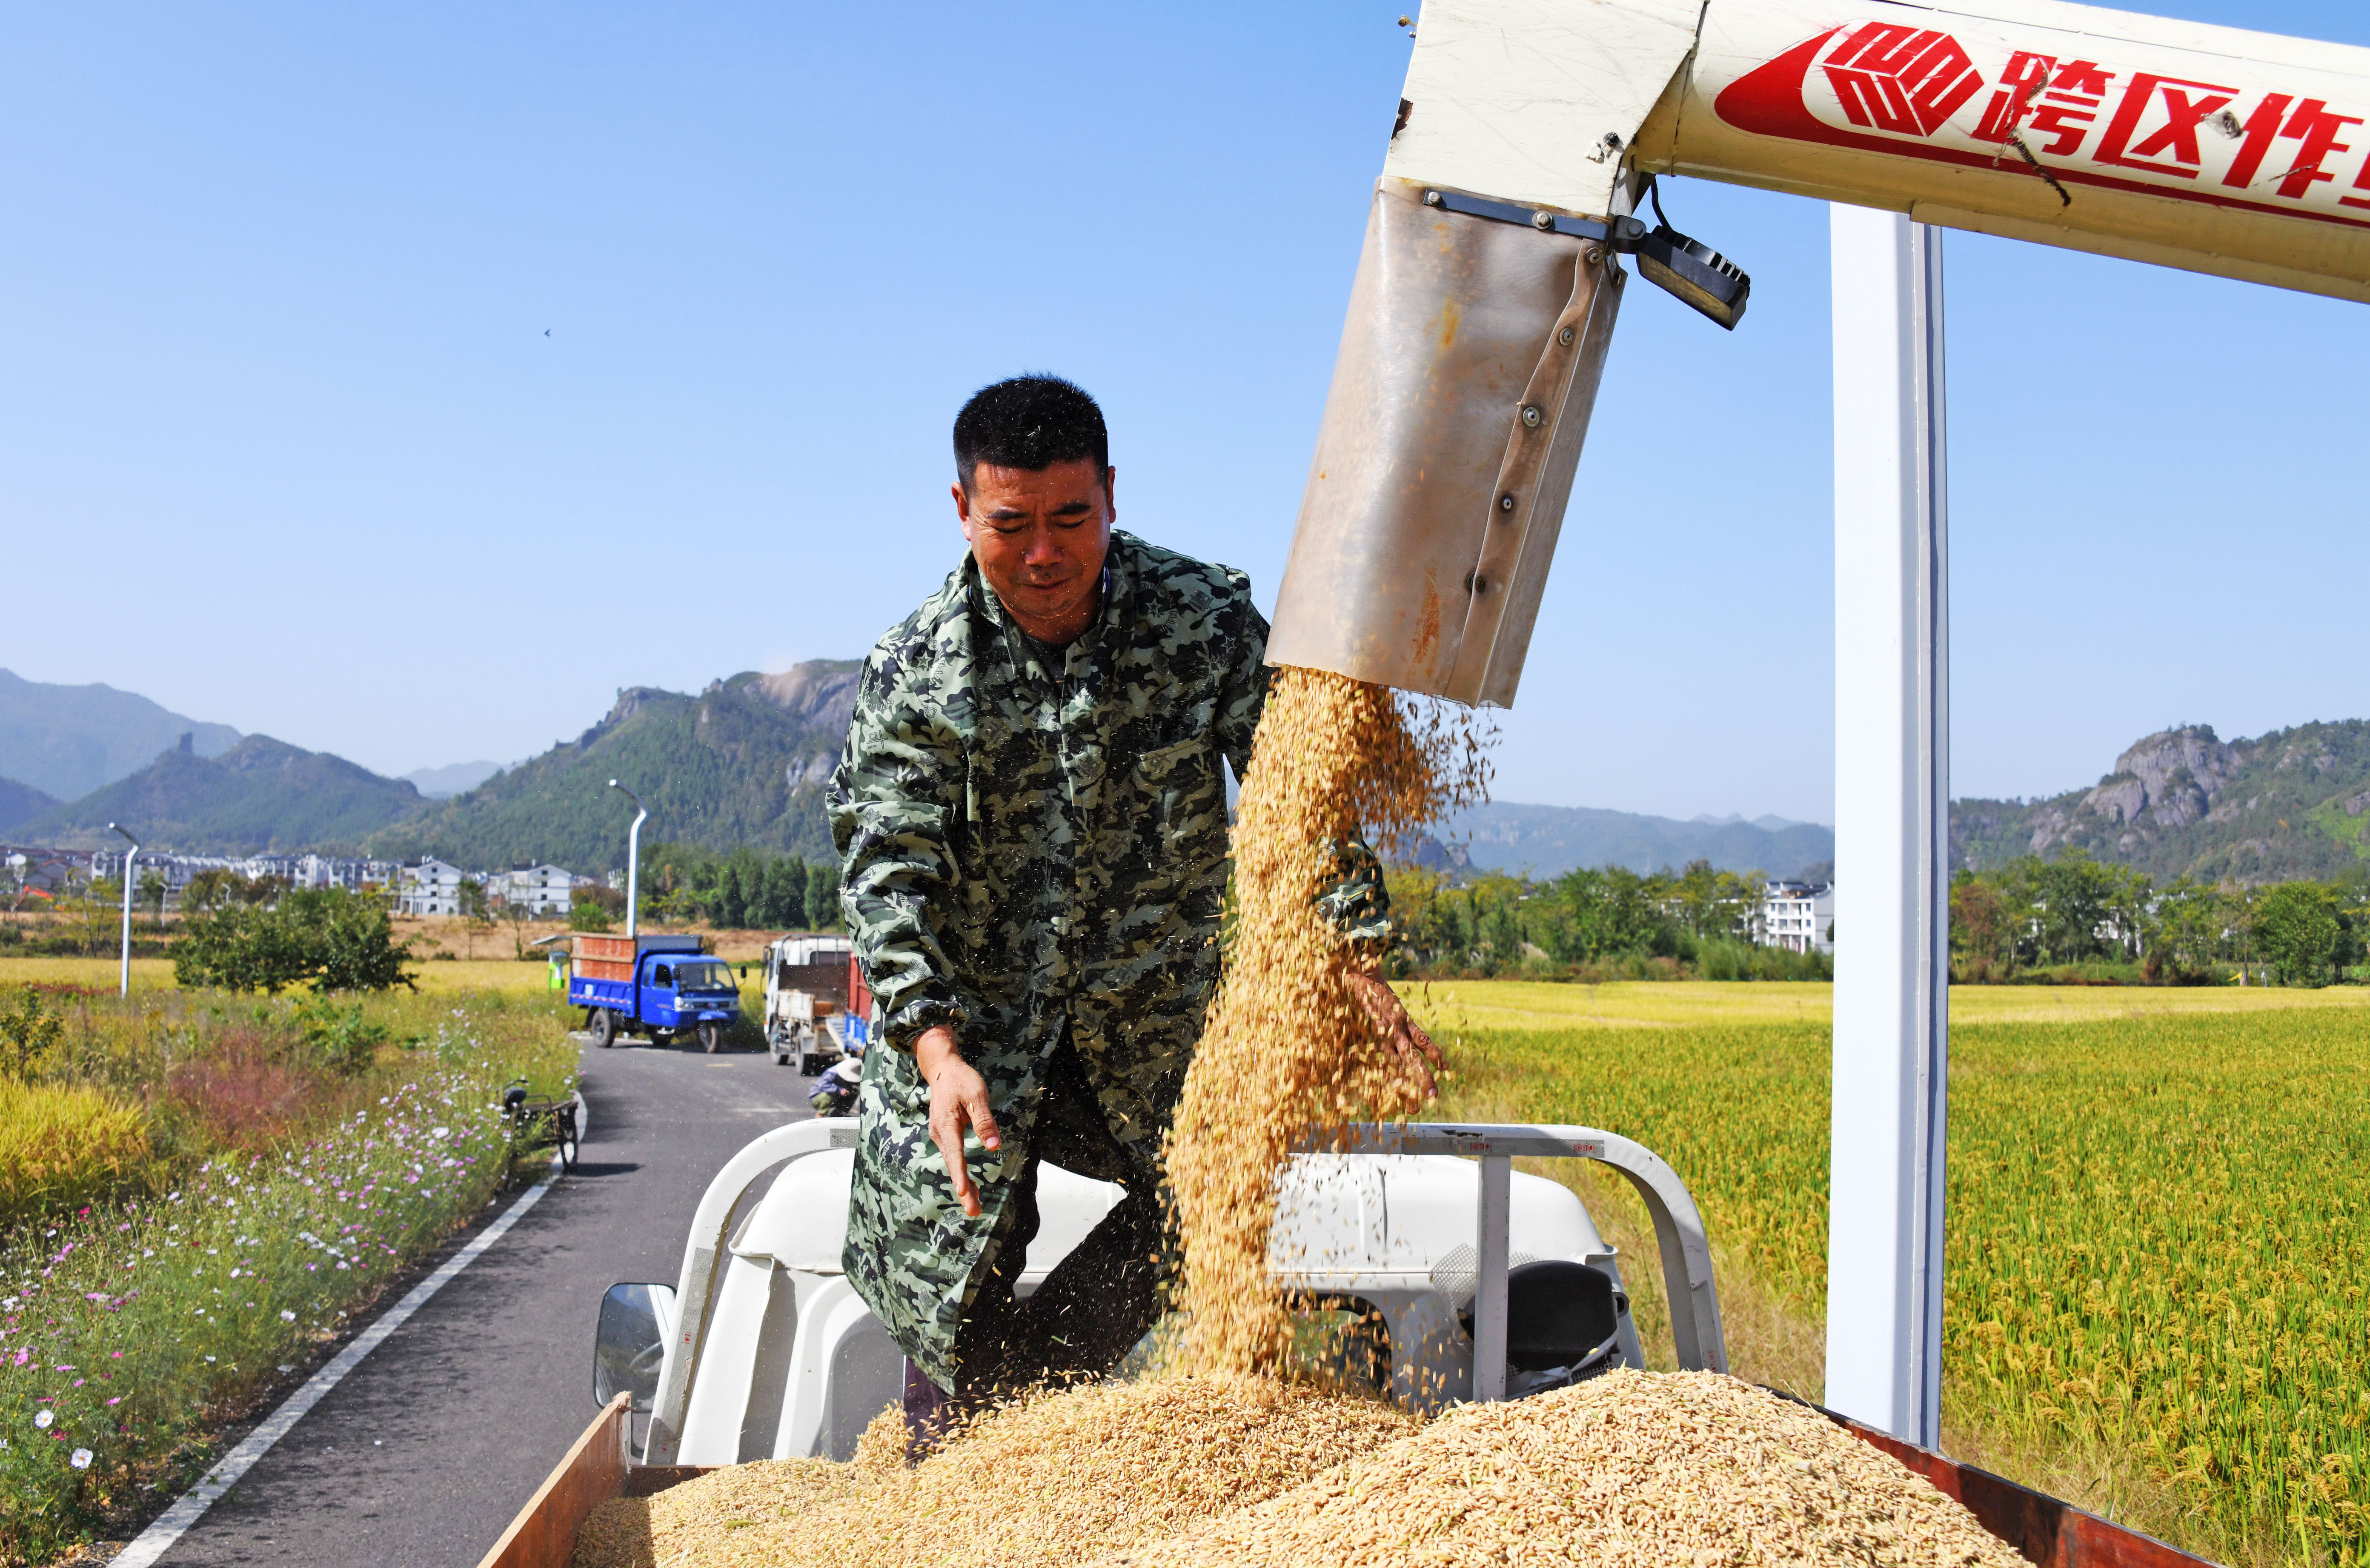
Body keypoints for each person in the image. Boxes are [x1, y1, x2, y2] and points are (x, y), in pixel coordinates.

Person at [827, 374, 1439, 1452]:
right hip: (974, 1045)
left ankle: (1033, 1415)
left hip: (1152, 1027)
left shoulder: (1202, 621)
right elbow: (888, 869)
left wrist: (1352, 960)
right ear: (963, 510)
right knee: (953, 1262)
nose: (1044, 553)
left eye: (1072, 518)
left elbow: (1299, 798)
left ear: (1112, 494)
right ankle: (950, 1460)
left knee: (1210, 1198)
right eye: (1010, 525)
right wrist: (933, 1048)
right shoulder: (918, 669)